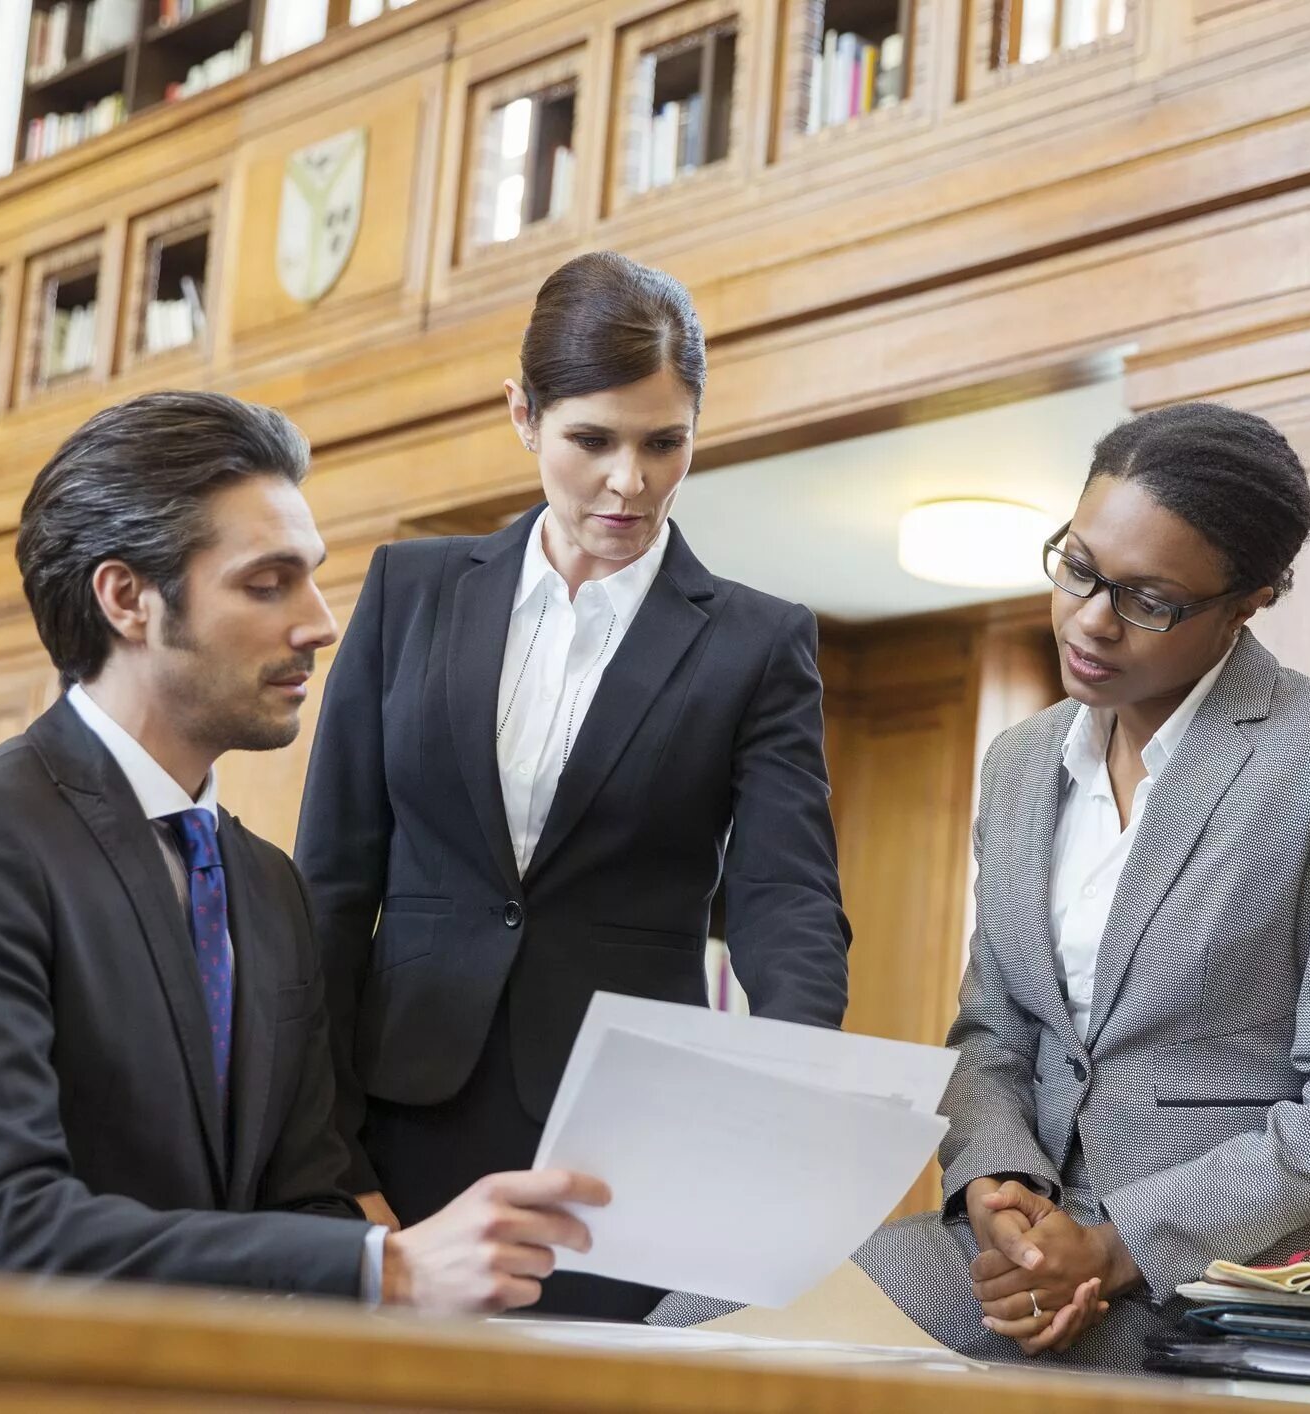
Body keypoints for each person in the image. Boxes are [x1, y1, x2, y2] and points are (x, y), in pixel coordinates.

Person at [657, 401, 1310, 1364]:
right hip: (1008, 1250)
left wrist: (1111, 1250)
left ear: (1251, 599)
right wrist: (994, 1182)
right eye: (1077, 568)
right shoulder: (1022, 762)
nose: (1092, 621)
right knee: (688, 1324)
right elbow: (993, 1033)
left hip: (1212, 1275)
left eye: (1148, 601)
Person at [0, 390, 605, 1310]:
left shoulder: (264, 884)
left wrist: (457, 1271)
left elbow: (300, 1196)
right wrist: (387, 1269)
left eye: (314, 577)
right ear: (127, 598)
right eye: (266, 583)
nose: (322, 623)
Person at [296, 252, 851, 1319]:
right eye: (591, 440)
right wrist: (319, 1145)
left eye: (664, 442)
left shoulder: (756, 642)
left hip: (621, 1140)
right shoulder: (409, 593)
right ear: (523, 414)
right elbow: (330, 882)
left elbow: (787, 897)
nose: (629, 481)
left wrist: (799, 1086)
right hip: (397, 1113)